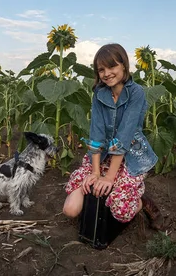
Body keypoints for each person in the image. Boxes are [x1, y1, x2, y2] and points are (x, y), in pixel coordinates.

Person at [62, 43, 164, 230]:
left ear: (124, 65)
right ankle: (112, 191)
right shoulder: (100, 94)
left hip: (130, 156)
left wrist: (108, 177)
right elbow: (96, 134)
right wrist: (95, 172)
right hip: (103, 154)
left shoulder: (136, 93)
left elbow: (124, 137)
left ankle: (142, 202)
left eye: (112, 66)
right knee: (71, 209)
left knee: (121, 210)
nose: (107, 73)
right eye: (101, 69)